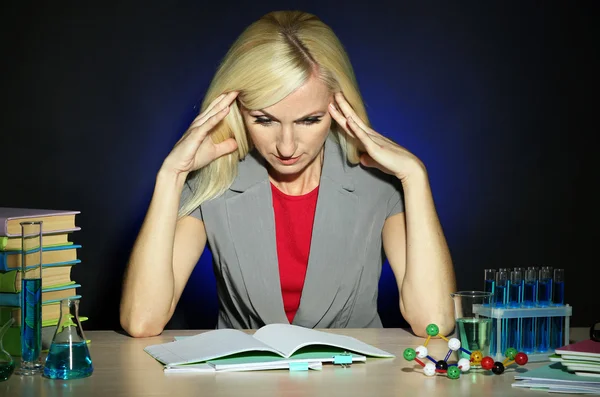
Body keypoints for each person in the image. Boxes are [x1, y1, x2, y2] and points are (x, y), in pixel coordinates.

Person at [120, 10, 456, 338]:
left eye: (309, 120)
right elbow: (142, 321)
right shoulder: (214, 180)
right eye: (264, 120)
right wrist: (171, 175)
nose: (286, 146)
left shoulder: (378, 184)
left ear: (340, 109)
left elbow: (434, 322)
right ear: (236, 109)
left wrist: (415, 176)